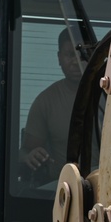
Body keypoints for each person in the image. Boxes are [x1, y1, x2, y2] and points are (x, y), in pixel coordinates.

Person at [20, 28, 84, 181]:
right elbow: (24, 152)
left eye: (81, 54)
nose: (75, 61)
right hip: (64, 194)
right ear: (59, 58)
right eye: (69, 55)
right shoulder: (45, 102)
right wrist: (30, 156)